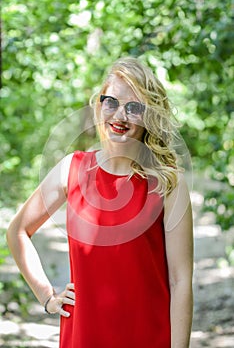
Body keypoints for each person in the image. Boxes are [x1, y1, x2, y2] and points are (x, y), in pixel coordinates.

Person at [7, 57, 193, 348]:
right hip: (84, 334)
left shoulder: (168, 183)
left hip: (148, 336)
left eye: (134, 107)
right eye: (111, 102)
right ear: (99, 105)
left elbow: (180, 281)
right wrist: (47, 296)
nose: (120, 115)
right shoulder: (72, 169)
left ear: (149, 117)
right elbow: (17, 231)